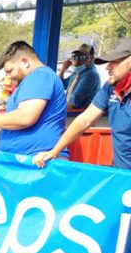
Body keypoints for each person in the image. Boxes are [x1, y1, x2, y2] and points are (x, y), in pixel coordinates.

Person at [34, 37, 131, 170]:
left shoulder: (90, 76)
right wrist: (54, 151)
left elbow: (73, 104)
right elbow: (85, 119)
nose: (108, 67)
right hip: (121, 171)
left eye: (115, 62)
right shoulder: (111, 87)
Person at [0, 41, 67, 157]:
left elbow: (25, 117)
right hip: (27, 159)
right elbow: (33, 124)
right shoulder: (35, 79)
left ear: (25, 62)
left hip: (37, 161)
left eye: (10, 71)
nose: (8, 77)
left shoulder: (39, 76)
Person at [59, 43, 101, 110]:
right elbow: (61, 85)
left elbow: (71, 105)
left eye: (82, 57)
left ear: (91, 59)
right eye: (75, 57)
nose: (77, 61)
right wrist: (63, 69)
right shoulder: (78, 72)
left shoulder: (90, 75)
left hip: (78, 114)